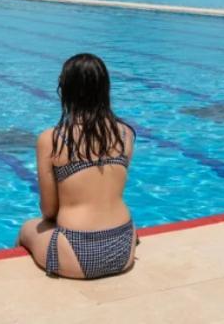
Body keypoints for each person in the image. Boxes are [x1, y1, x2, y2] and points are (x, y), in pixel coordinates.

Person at [17, 53, 137, 279]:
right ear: (105, 89)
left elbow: (49, 210)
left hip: (77, 249)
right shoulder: (125, 133)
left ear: (66, 90)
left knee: (27, 229)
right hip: (123, 245)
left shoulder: (52, 139)